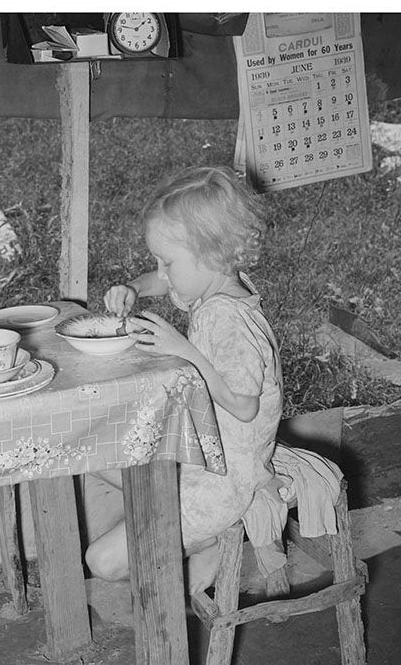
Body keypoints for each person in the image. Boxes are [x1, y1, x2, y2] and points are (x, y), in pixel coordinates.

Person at [85, 166, 284, 596]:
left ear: (210, 255)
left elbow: (244, 404)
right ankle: (181, 530)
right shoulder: (216, 287)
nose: (161, 270)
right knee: (92, 454)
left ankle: (208, 538)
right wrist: (134, 287)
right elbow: (164, 281)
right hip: (201, 453)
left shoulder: (228, 320)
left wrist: (184, 351)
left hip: (225, 481)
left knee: (100, 562)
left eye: (167, 262)